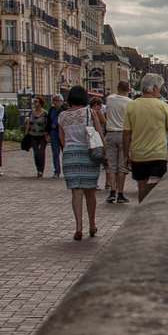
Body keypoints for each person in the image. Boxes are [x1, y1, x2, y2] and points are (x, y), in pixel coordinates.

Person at [122, 73, 168, 200]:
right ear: (154, 88)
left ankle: (141, 212)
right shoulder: (163, 105)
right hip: (158, 154)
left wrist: (126, 155)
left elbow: (126, 133)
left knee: (141, 186)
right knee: (156, 187)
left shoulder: (132, 105)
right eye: (160, 87)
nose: (161, 90)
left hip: (138, 154)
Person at [57, 85, 102, 241]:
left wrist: (69, 148)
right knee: (90, 192)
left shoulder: (62, 116)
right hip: (88, 153)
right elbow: (99, 133)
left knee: (76, 191)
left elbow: (61, 138)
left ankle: (78, 227)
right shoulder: (90, 112)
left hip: (70, 154)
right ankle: (92, 224)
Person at [102, 80, 133, 204]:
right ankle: (120, 194)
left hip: (110, 133)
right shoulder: (130, 103)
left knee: (111, 165)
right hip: (124, 135)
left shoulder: (109, 99)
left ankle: (112, 192)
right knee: (122, 165)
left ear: (117, 88)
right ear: (129, 89)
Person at [46, 93, 65, 172]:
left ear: (62, 101)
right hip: (53, 133)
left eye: (57, 100)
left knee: (65, 152)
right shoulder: (51, 110)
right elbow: (48, 122)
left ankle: (67, 169)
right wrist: (47, 133)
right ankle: (57, 171)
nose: (55, 102)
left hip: (63, 133)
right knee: (55, 153)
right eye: (54, 100)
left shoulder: (65, 110)